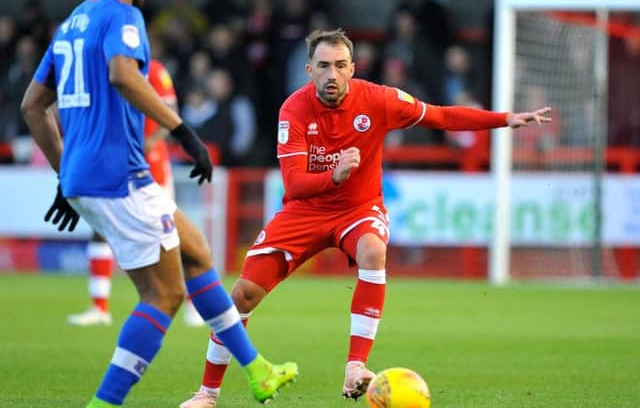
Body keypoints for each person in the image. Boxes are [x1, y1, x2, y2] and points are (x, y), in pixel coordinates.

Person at [180, 28, 551, 408]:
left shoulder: (379, 98)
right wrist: (334, 174)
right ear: (309, 69)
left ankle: (356, 366)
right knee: (241, 295)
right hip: (304, 211)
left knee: (373, 249)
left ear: (353, 69)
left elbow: (440, 116)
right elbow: (293, 183)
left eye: (341, 66)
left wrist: (504, 118)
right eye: (323, 66)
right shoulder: (293, 108)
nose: (332, 75)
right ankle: (207, 393)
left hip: (358, 209)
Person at [20, 0, 297, 407]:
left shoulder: (73, 21)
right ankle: (104, 402)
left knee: (196, 252)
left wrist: (65, 171)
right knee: (163, 295)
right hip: (120, 174)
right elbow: (123, 74)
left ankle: (257, 370)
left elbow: (32, 106)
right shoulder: (122, 15)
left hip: (91, 175)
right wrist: (184, 131)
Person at [67, 58, 204, 327]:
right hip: (113, 164)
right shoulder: (105, 69)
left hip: (149, 165)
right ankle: (99, 307)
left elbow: (170, 115)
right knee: (100, 229)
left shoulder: (154, 70)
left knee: (171, 235)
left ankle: (194, 306)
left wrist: (147, 145)